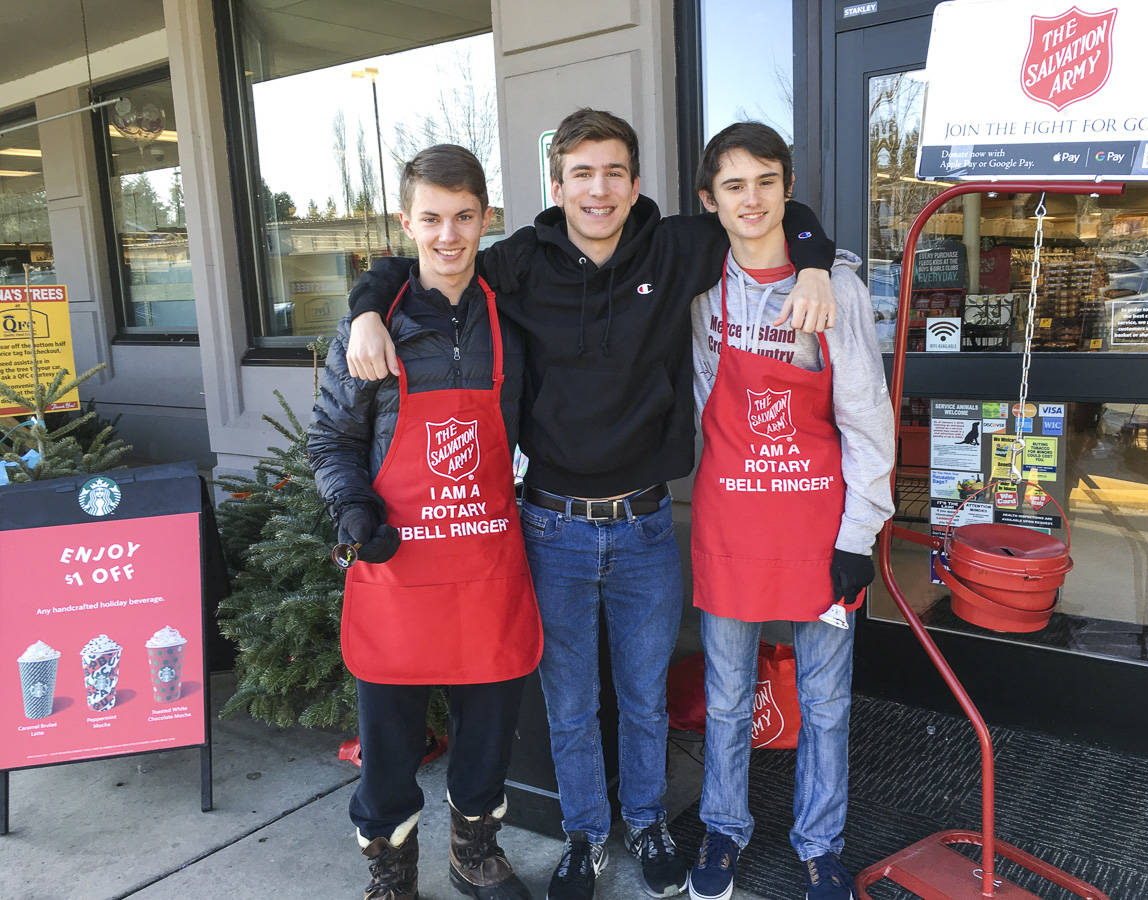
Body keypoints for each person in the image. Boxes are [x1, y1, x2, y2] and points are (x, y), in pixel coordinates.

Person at [342, 109, 837, 900]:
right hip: (552, 527)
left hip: (644, 524)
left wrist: (813, 266)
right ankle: (584, 836)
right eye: (582, 173)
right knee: (569, 705)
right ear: (557, 185)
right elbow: (424, 261)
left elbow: (777, 211)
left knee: (644, 700)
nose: (598, 189)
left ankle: (646, 821)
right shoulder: (519, 261)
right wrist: (366, 309)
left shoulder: (675, 248)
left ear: (635, 184)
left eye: (613, 173)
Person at [308, 144, 541, 900]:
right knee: (388, 742)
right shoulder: (372, 329)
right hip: (398, 569)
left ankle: (475, 850)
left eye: (464, 217)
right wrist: (353, 510)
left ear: (485, 219)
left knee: (488, 728)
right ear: (406, 223)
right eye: (432, 218)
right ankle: (391, 866)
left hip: (487, 567)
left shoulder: (512, 319)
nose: (449, 235)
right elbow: (332, 439)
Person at [683, 123, 895, 900]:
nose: (752, 199)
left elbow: (868, 419)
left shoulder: (836, 288)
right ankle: (722, 830)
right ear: (710, 199)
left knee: (826, 702)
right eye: (734, 185)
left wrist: (858, 536)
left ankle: (820, 844)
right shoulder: (699, 285)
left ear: (788, 187)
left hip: (818, 528)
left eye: (766, 181)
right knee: (727, 699)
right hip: (730, 524)